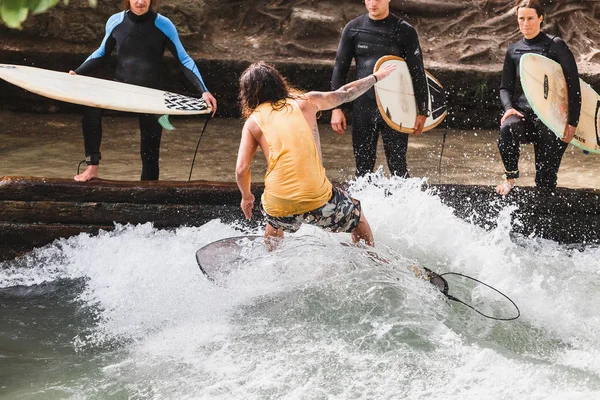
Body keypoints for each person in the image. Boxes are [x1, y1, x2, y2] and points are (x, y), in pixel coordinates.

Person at [236, 61, 396, 246]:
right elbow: (344, 94)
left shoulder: (252, 122)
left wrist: (247, 197)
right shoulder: (307, 102)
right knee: (357, 218)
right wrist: (376, 77)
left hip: (277, 202)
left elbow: (241, 169)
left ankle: (270, 261)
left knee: (274, 222)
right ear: (279, 83)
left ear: (248, 94)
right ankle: (371, 259)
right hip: (316, 196)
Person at [70, 0, 217, 182]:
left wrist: (203, 90)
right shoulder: (115, 21)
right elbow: (101, 54)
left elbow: (184, 60)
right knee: (91, 108)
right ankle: (92, 166)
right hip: (120, 88)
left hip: (151, 95)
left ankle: (148, 193)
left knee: (150, 153)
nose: (140, 2)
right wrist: (76, 72)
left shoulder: (164, 24)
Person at [330, 0, 430, 178]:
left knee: (398, 164)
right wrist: (336, 108)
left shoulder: (404, 30)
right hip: (363, 106)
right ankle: (363, 205)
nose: (373, 3)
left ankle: (403, 204)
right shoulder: (353, 29)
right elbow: (340, 69)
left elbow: (417, 72)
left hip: (396, 108)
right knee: (363, 166)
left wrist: (422, 111)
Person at [495, 0, 580, 195]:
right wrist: (509, 108)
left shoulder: (556, 45)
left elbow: (573, 86)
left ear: (541, 18)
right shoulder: (513, 50)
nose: (526, 23)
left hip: (553, 119)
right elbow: (505, 88)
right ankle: (509, 179)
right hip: (526, 115)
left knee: (545, 180)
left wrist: (572, 123)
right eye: (521, 19)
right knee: (507, 127)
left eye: (530, 18)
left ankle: (546, 201)